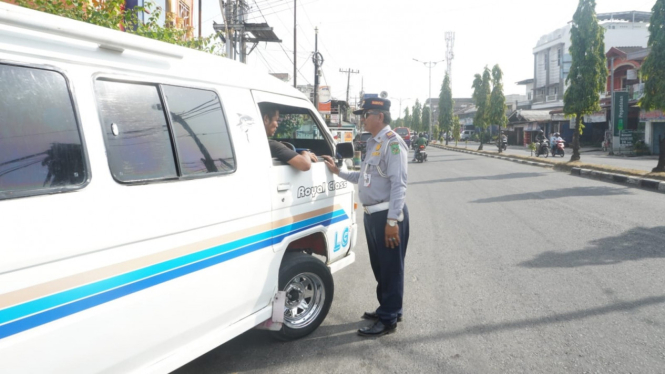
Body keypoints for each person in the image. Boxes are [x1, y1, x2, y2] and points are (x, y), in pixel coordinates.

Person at [322, 98, 409, 337]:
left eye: (366, 114)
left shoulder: (393, 143)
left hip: (387, 217)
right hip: (373, 216)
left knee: (391, 268)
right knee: (380, 267)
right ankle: (389, 308)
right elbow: (367, 176)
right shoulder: (373, 142)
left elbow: (399, 185)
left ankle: (388, 319)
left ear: (380, 116)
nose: (362, 118)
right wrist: (339, 172)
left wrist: (393, 221)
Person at [260, 103, 317, 171]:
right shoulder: (273, 146)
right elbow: (305, 164)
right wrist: (305, 153)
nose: (277, 125)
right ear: (266, 119)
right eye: (276, 120)